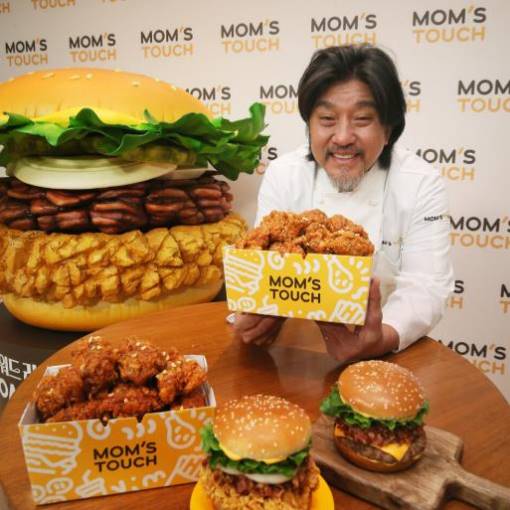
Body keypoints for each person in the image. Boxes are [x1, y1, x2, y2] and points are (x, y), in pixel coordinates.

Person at [234, 44, 454, 363]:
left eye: (362, 119)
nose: (342, 137)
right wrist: (261, 312)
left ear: (388, 129)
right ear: (309, 125)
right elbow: (265, 266)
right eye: (327, 119)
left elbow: (427, 286)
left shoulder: (420, 182)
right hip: (298, 351)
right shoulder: (284, 174)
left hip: (388, 351)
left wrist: (381, 338)